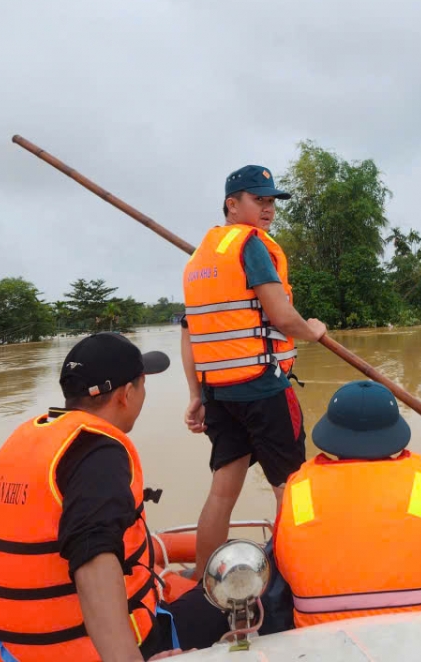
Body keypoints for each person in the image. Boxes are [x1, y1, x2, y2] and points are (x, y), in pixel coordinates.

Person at [0, 333, 226, 660]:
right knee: (232, 597)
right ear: (126, 394)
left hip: (14, 652)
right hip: (92, 652)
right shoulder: (101, 453)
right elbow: (93, 557)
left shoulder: (27, 441)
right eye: (142, 384)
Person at [181, 164, 327, 579]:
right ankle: (298, 578)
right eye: (258, 200)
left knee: (222, 490)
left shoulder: (199, 258)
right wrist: (312, 330)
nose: (268, 209)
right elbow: (282, 315)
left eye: (271, 201)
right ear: (232, 203)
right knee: (291, 487)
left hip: (219, 394)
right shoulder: (251, 246)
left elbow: (189, 333)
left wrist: (196, 394)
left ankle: (202, 579)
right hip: (262, 387)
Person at [269, 381, 421, 628]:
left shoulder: (301, 495)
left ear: (331, 435)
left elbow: (273, 607)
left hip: (319, 647)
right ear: (394, 435)